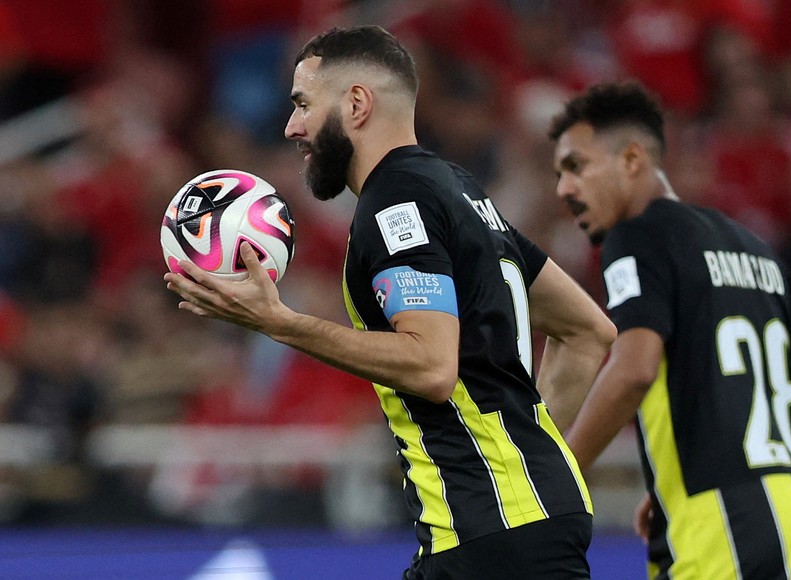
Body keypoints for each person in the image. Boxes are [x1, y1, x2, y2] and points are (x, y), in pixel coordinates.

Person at [165, 25, 616, 578]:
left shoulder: (396, 201)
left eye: (303, 104)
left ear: (356, 103)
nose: (291, 127)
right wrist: (534, 465)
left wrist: (279, 323)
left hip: (491, 532)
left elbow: (430, 366)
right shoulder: (461, 192)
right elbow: (587, 331)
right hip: (510, 521)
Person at [549, 80, 791, 579]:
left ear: (632, 159)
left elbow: (633, 369)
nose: (564, 189)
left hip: (724, 525)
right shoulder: (756, 248)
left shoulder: (638, 236)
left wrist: (559, 476)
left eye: (576, 166)